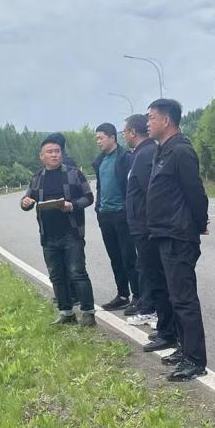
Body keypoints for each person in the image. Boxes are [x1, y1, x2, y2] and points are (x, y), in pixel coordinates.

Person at [145, 98, 209, 382]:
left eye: (151, 118)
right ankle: (184, 349)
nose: (147, 123)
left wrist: (198, 225)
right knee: (174, 297)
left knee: (184, 299)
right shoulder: (163, 150)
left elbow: (195, 193)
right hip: (163, 232)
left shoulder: (181, 150)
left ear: (166, 120)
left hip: (178, 234)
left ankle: (195, 360)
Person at [20, 135, 96, 327]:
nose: (54, 155)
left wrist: (73, 205)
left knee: (77, 273)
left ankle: (88, 313)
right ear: (41, 156)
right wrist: (25, 202)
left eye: (57, 151)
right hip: (48, 235)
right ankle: (66, 313)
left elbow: (88, 197)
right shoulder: (37, 178)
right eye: (50, 152)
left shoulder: (73, 174)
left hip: (72, 233)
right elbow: (27, 201)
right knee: (56, 276)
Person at [122, 114, 169, 336]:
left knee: (154, 272)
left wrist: (149, 222)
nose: (124, 135)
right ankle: (153, 310)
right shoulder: (140, 154)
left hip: (146, 224)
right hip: (141, 223)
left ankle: (158, 315)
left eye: (124, 131)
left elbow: (150, 191)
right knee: (147, 268)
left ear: (132, 132)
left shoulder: (146, 153)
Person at [93, 123, 140, 313]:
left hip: (122, 213)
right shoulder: (99, 161)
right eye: (97, 138)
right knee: (115, 257)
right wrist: (98, 208)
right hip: (105, 215)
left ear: (112, 137)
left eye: (101, 137)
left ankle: (138, 296)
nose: (98, 142)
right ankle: (122, 295)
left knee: (129, 257)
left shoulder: (126, 158)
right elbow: (100, 187)